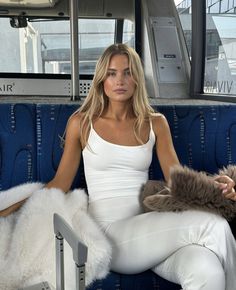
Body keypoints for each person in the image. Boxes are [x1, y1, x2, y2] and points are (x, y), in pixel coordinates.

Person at [1, 43, 236, 290]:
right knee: (214, 226)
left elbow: (177, 179)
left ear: (137, 79)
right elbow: (58, 185)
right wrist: (7, 211)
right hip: (110, 235)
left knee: (207, 271)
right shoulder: (81, 123)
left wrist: (215, 187)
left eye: (127, 72)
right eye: (112, 73)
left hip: (154, 231)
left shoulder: (156, 123)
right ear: (102, 79)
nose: (120, 80)